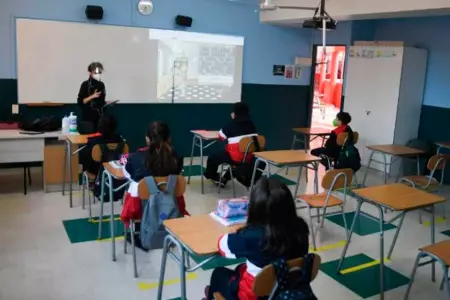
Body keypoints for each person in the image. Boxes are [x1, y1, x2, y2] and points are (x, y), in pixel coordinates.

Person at [204, 177, 311, 300]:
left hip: (252, 296)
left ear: (254, 208)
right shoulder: (301, 228)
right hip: (287, 290)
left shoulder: (251, 236)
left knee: (218, 274)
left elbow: (222, 245)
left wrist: (241, 231)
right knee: (241, 270)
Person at [121, 121, 189, 249]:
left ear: (147, 139)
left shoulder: (136, 158)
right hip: (172, 209)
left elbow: (127, 174)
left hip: (140, 212)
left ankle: (137, 232)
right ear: (169, 138)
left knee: (134, 188)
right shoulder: (176, 158)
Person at [204, 102, 258, 186]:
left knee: (213, 158)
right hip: (250, 157)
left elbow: (221, 136)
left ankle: (214, 177)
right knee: (233, 160)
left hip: (236, 158)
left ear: (234, 113)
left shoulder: (230, 125)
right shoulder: (252, 125)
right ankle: (226, 177)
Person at [77, 62, 106, 133]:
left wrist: (106, 103)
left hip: (100, 119)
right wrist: (92, 96)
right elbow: (81, 102)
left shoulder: (101, 84)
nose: (98, 74)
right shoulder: (85, 85)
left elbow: (101, 101)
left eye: (99, 72)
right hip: (88, 119)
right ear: (90, 72)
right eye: (96, 72)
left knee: (99, 141)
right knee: (88, 140)